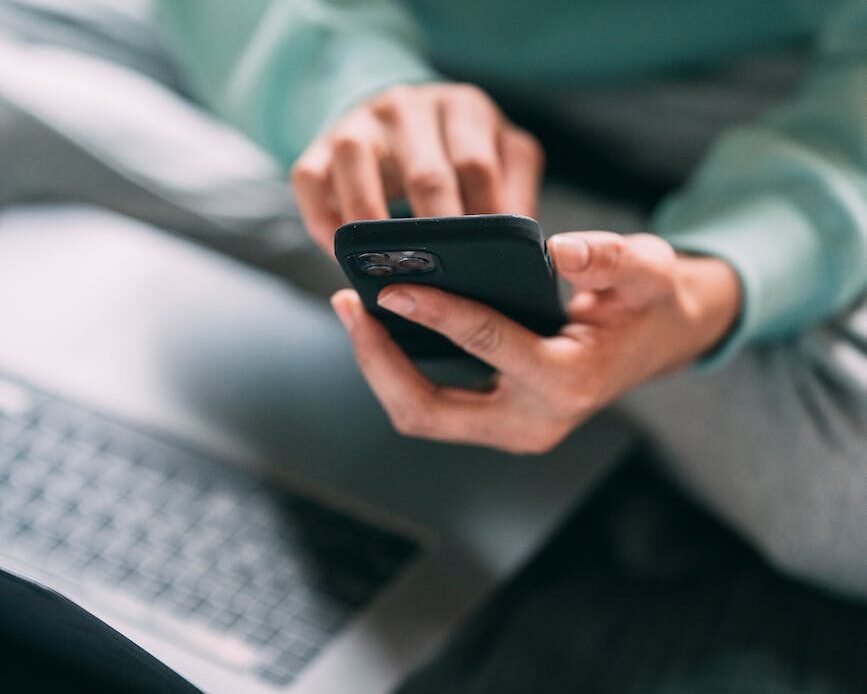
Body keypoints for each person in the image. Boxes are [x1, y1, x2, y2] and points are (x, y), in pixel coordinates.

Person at [152, 0, 867, 600]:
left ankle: (390, 232)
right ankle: (458, 234)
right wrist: (343, 83)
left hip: (768, 77)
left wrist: (711, 285)